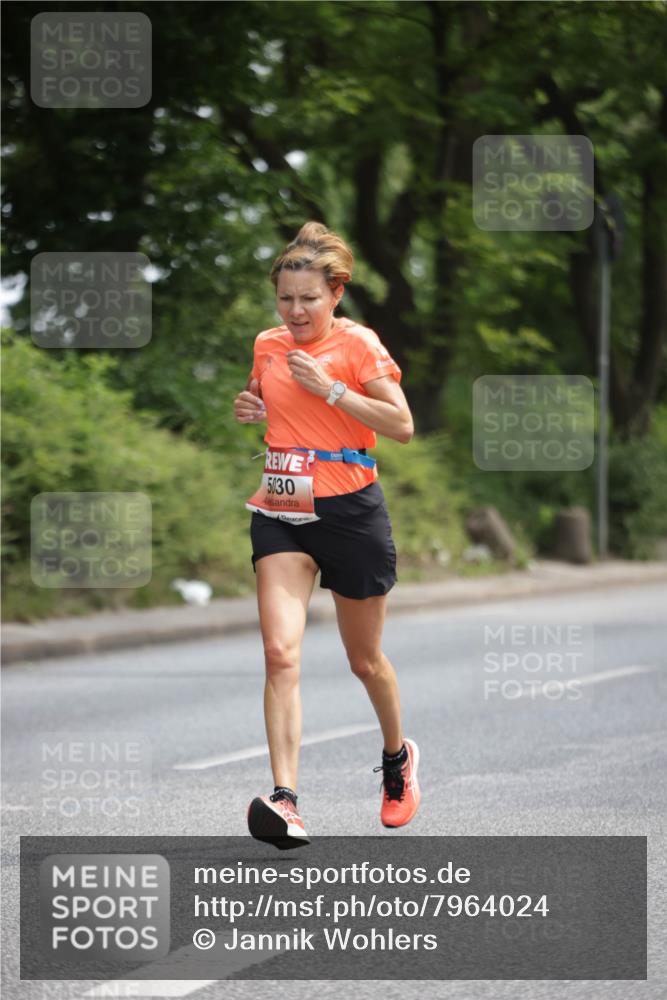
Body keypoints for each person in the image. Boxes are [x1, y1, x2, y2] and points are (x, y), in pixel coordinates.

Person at [233, 221, 420, 849]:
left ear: (335, 293)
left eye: (308, 299)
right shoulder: (267, 343)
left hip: (351, 514)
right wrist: (252, 405)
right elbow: (267, 395)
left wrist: (334, 388)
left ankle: (397, 760)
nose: (294, 311)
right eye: (285, 299)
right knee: (280, 654)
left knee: (364, 660)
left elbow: (401, 425)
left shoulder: (359, 345)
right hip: (282, 509)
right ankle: (285, 800)